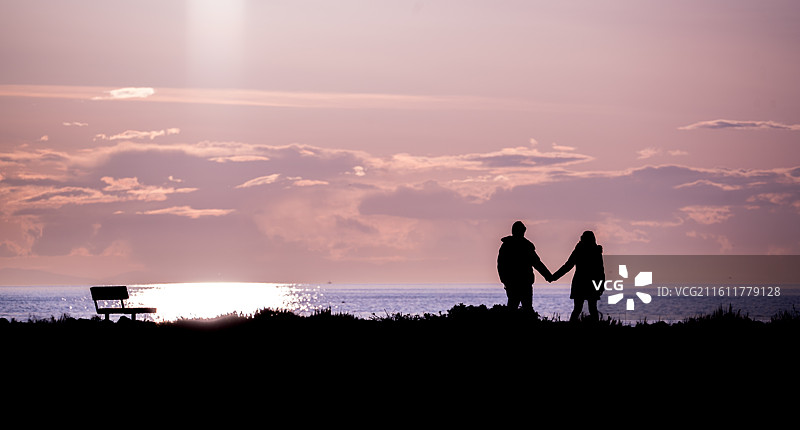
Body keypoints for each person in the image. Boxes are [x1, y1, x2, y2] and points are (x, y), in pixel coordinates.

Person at [497, 221, 552, 311]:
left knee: (514, 307)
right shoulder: (525, 246)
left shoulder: (508, 245)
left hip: (517, 283)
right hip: (520, 283)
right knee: (523, 308)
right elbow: (537, 263)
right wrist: (548, 276)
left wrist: (505, 281)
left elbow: (501, 265)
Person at [551, 231, 605, 322]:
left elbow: (568, 266)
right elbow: (600, 271)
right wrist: (601, 286)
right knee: (592, 308)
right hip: (591, 284)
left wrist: (554, 277)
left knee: (578, 309)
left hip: (579, 283)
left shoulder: (579, 250)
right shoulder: (596, 251)